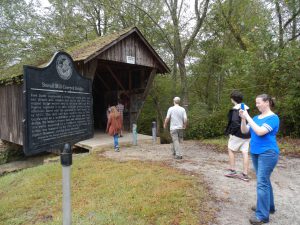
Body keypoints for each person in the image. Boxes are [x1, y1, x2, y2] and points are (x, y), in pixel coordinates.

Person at [239, 94, 280, 225]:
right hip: (256, 152)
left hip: (268, 153)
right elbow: (245, 130)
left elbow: (260, 131)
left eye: (258, 103)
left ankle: (262, 216)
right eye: (255, 103)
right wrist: (243, 119)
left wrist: (248, 116)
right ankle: (269, 207)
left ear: (267, 102)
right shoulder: (256, 117)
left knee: (262, 182)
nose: (256, 105)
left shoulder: (273, 118)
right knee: (264, 181)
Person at [224, 90, 251, 181]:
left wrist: (231, 132)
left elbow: (235, 123)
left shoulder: (236, 109)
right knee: (245, 152)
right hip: (247, 133)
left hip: (238, 134)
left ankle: (232, 170)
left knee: (231, 149)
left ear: (232, 99)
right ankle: (245, 174)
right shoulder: (245, 108)